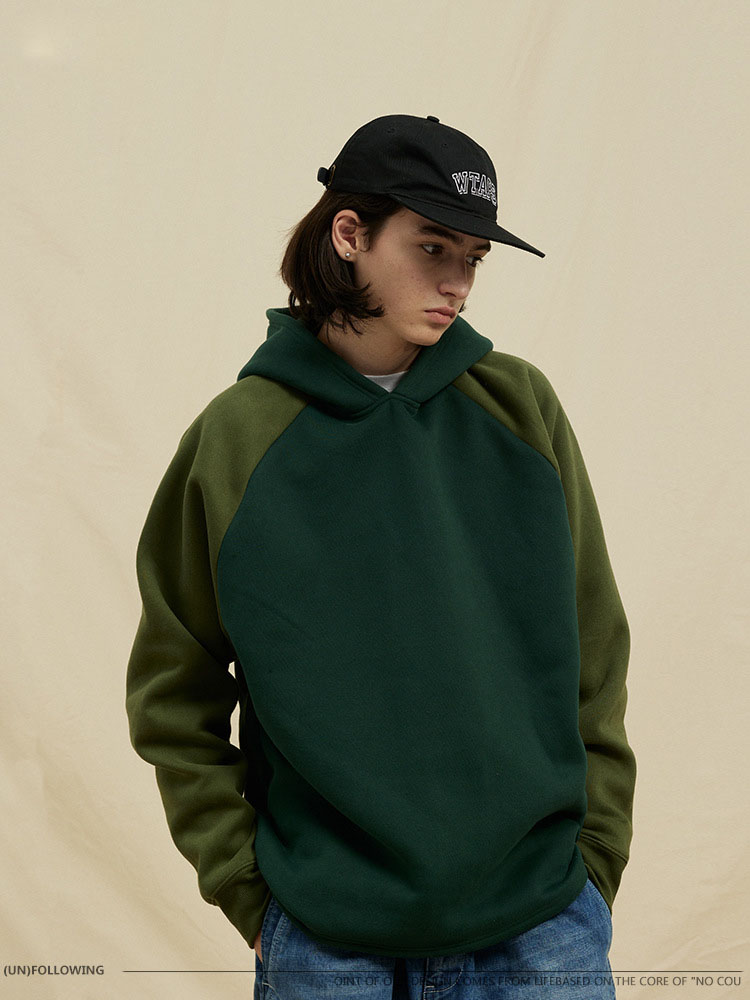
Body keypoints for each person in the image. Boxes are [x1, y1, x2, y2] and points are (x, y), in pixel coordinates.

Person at [126, 114, 636, 999]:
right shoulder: (237, 439)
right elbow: (175, 692)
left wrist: (594, 860)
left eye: (473, 258)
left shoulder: (521, 409)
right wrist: (249, 890)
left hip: (540, 927)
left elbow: (595, 648)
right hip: (330, 943)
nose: (457, 283)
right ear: (349, 233)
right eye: (432, 248)